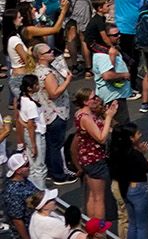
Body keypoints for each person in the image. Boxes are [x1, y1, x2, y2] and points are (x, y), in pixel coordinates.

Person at [32, 42, 76, 185]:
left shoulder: (41, 69)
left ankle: (51, 170)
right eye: (48, 52)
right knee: (55, 145)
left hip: (48, 112)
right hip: (55, 112)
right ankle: (58, 174)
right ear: (40, 56)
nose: (52, 53)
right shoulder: (46, 73)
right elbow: (54, 93)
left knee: (51, 144)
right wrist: (67, 81)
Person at [106, 123, 148, 239]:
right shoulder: (134, 154)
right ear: (131, 138)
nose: (140, 135)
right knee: (142, 226)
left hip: (125, 188)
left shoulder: (118, 152)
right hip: (138, 190)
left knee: (133, 224)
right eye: (137, 133)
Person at [70, 87, 112, 223]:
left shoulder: (80, 114)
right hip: (94, 158)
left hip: (86, 157)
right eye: (93, 98)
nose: (96, 99)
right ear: (85, 102)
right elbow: (101, 138)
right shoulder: (86, 118)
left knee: (92, 195)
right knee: (99, 198)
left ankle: (91, 226)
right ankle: (98, 231)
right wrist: (109, 118)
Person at [111, 0, 148, 103]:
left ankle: (125, 85)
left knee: (125, 58)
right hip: (132, 27)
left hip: (120, 24)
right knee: (133, 60)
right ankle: (130, 88)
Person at [88, 28, 132, 125]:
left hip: (117, 95)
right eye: (115, 35)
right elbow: (107, 75)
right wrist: (124, 75)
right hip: (113, 97)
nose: (119, 36)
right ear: (105, 37)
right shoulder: (103, 55)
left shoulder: (110, 51)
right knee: (121, 126)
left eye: (119, 33)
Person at [14, 75, 44, 188]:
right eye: (36, 84)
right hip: (36, 136)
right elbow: (31, 125)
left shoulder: (22, 99)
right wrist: (34, 145)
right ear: (29, 88)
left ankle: (32, 189)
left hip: (29, 134)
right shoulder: (31, 104)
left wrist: (26, 125)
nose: (38, 86)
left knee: (33, 165)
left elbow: (20, 119)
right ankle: (39, 191)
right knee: (39, 167)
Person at [3, 155, 36, 239]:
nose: (29, 167)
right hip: (28, 230)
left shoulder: (23, 180)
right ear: (18, 170)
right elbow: (17, 220)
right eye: (26, 165)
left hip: (35, 225)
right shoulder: (13, 192)